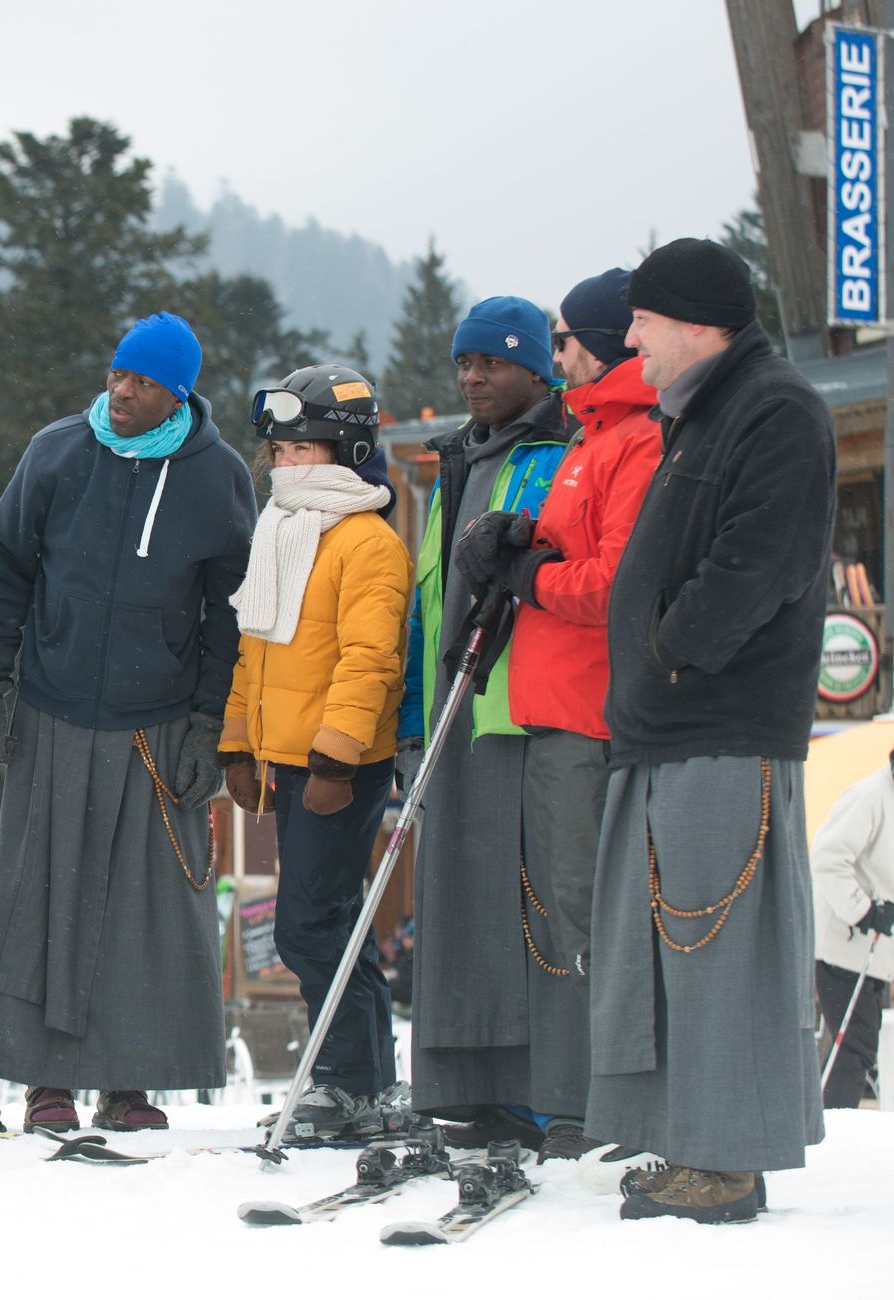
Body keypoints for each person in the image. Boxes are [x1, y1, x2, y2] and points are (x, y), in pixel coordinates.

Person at [592, 236, 833, 1223]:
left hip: (721, 720)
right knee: (673, 947)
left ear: (694, 321)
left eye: (641, 321)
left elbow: (756, 562)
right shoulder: (704, 412)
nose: (629, 340)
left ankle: (724, 1160)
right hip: (672, 724)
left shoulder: (774, 408)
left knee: (716, 946)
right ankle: (691, 1136)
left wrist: (670, 647)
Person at [0, 312, 255, 1132]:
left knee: (147, 909)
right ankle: (45, 1083)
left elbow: (226, 613)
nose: (122, 393)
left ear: (178, 393)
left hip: (158, 723)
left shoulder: (217, 475)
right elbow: (6, 563)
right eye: (116, 375)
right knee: (42, 899)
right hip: (54, 710)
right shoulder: (56, 451)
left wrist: (210, 722)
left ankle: (129, 1085)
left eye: (142, 382)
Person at [448, 269, 661, 1161]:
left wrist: (527, 575)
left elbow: (618, 583)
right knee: (569, 913)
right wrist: (519, 545)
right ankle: (605, 1097)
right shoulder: (587, 438)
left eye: (570, 337)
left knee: (590, 908)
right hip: (545, 704)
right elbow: (569, 547)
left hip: (587, 707)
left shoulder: (634, 442)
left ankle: (630, 1098)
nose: (560, 350)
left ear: (608, 344)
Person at [216, 364, 409, 1139]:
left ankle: (345, 1080)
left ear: (346, 450)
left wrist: (335, 757)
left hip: (342, 766)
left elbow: (370, 660)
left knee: (308, 925)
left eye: (303, 448)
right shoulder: (282, 534)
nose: (285, 463)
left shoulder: (367, 543)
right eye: (280, 450)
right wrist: (238, 741)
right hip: (289, 762)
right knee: (328, 921)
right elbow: (253, 652)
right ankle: (362, 1080)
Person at [400, 295, 567, 1149]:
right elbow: (428, 601)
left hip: (517, 702)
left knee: (524, 898)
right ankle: (476, 1082)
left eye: (492, 363)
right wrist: (409, 715)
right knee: (460, 903)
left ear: (535, 369)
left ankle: (546, 1085)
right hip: (452, 710)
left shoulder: (554, 452)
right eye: (465, 363)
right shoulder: (456, 460)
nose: (472, 378)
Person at [808, 754, 894, 1108]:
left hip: (874, 954)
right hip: (844, 948)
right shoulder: (869, 796)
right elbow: (827, 858)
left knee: (856, 1045)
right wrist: (863, 909)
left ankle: (827, 1123)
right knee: (854, 1047)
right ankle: (837, 1131)